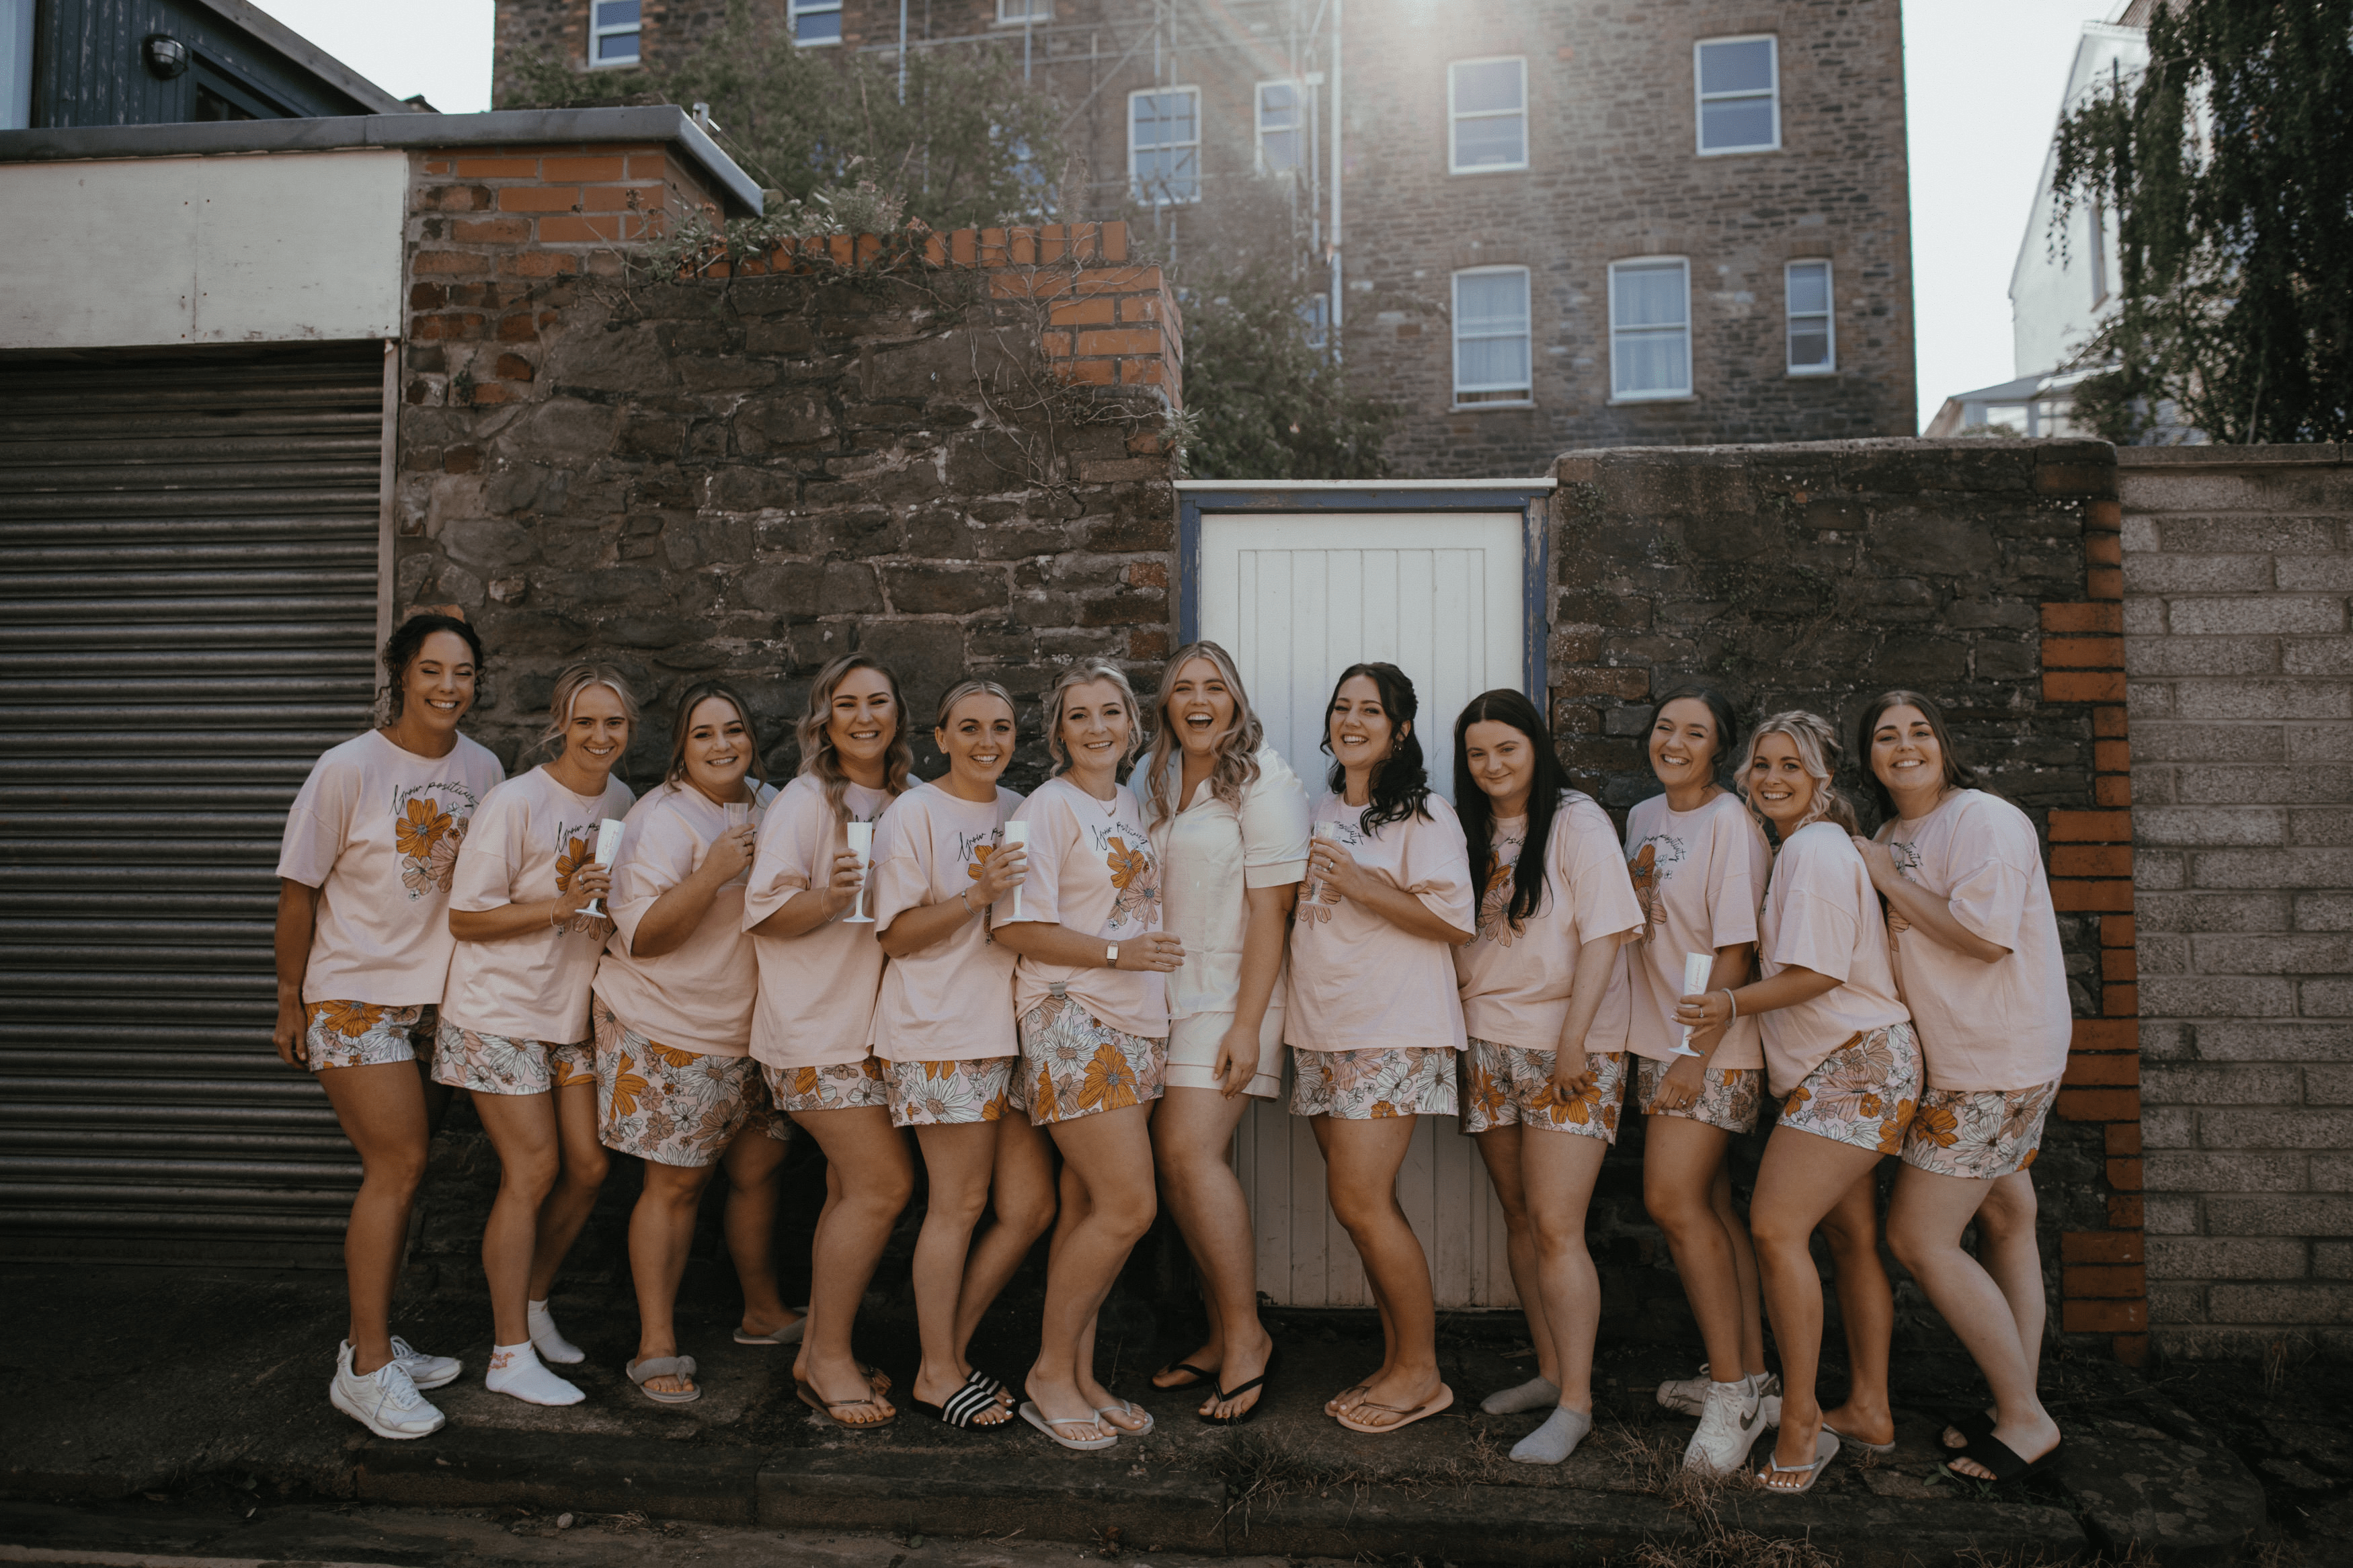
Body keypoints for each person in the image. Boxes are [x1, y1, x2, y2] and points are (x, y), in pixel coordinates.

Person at [274, 611, 505, 1439]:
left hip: (438, 1003)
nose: (450, 687)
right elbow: (298, 889)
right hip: (353, 994)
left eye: (465, 673)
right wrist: (288, 996)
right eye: (434, 670)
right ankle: (365, 1368)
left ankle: (369, 1337)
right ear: (402, 672)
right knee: (398, 1163)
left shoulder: (484, 766)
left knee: (408, 1171)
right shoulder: (347, 768)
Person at [1673, 711, 1918, 1495]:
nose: (1771, 776)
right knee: (1849, 1236)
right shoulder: (1806, 849)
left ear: (1822, 780)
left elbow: (1815, 974)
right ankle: (1870, 1409)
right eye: (1761, 764)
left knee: (1776, 1228)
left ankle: (1801, 1420)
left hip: (1853, 1065)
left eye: (1791, 765)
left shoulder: (1811, 850)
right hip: (1850, 1063)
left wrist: (1729, 1005)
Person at [1856, 691, 2069, 1483]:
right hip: (1963, 1057)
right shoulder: (1890, 832)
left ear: (1943, 743)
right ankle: (2016, 1398)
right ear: (1869, 754)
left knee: (1917, 1236)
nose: (1903, 745)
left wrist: (1882, 875)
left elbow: (1983, 937)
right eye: (1884, 735)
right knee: (2008, 1215)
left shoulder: (1981, 818)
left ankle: (2022, 1418)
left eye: (1918, 731)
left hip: (1993, 1057)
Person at [991, 659, 1181, 1451]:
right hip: (1073, 1019)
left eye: (1110, 712)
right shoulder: (1044, 808)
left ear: (1133, 725)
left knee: (1087, 1208)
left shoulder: (1131, 801)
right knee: (1129, 1205)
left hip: (1133, 1021)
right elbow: (1012, 926)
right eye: (1079, 716)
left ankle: (1076, 1372)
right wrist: (1117, 954)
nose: (1097, 726)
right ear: (1057, 731)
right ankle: (1045, 1374)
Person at [591, 680, 797, 1405]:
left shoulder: (772, 803)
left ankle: (763, 1311)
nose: (722, 745)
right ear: (680, 746)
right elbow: (643, 937)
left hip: (754, 1027)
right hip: (669, 1023)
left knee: (757, 1171)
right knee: (675, 1184)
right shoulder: (660, 818)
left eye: (733, 729)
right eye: (704, 733)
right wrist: (712, 873)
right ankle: (654, 1343)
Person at [439, 664, 638, 1407]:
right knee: (532, 1170)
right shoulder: (513, 800)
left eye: (613, 722)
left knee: (586, 1168)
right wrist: (558, 906)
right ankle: (507, 1353)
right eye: (585, 720)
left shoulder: (621, 799)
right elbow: (466, 916)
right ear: (559, 722)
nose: (599, 735)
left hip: (569, 1014)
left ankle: (532, 1303)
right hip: (498, 1011)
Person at [1453, 690, 1644, 1464]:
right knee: (1521, 1214)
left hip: (1571, 1049)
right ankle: (1548, 1369)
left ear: (1536, 745)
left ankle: (1576, 1403)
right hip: (1490, 1041)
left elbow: (1604, 936)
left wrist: (1573, 1042)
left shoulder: (1575, 820)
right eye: (1477, 753)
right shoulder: (1468, 826)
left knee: (1560, 1225)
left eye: (1507, 748)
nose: (1493, 765)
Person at [1287, 663, 1474, 1436]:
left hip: (1390, 1027)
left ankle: (1422, 1373)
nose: (1351, 719)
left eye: (1371, 710)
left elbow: (1455, 918)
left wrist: (1364, 884)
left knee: (1359, 1200)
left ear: (1400, 729)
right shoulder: (1321, 804)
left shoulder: (1425, 812)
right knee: (1366, 1205)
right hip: (1322, 1025)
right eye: (1341, 706)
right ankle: (1400, 1358)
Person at [869, 680, 1057, 1430]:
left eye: (1003, 727)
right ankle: (938, 1370)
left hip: (1007, 1031)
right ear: (940, 737)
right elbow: (893, 934)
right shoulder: (914, 811)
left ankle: (940, 1350)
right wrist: (976, 892)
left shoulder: (1022, 809)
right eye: (970, 727)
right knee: (959, 1203)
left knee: (1030, 1205)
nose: (988, 740)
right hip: (940, 1029)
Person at [1140, 642, 1308, 1425]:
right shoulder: (1157, 777)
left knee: (1187, 1154)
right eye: (1183, 688)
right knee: (1174, 1170)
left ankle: (1246, 1339)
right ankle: (1217, 1330)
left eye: (1214, 687)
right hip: (1162, 996)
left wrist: (1247, 1023)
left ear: (1235, 700)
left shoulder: (1263, 782)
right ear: (1166, 703)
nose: (1198, 699)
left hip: (1231, 998)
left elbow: (1274, 909)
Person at [745, 653, 913, 1428]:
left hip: (872, 1028)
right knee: (882, 1185)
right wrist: (828, 895)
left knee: (851, 1189)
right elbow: (764, 911)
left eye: (878, 702)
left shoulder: (908, 798)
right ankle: (830, 1358)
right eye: (847, 704)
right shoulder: (807, 801)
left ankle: (818, 1346)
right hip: (813, 1028)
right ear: (825, 719)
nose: (864, 716)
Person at [1621, 685, 1778, 1474]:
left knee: (1670, 1200)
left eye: (1694, 732)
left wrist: (1690, 1053)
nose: (1673, 741)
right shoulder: (1643, 817)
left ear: (1719, 747)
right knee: (1710, 1206)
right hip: (1657, 1041)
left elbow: (1735, 952)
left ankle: (1729, 1395)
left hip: (1709, 1048)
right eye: (1663, 727)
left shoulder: (1730, 823)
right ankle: (1750, 1377)